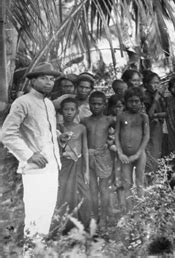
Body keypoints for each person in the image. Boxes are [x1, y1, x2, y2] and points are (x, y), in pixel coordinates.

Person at [0, 62, 62, 243]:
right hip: (35, 169)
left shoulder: (49, 104)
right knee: (34, 217)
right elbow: (7, 134)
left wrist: (59, 137)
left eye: (51, 79)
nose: (49, 82)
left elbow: (41, 131)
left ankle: (39, 253)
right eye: (43, 78)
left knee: (47, 216)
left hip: (52, 167)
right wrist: (28, 155)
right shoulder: (23, 102)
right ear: (32, 81)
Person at [56, 97, 91, 232]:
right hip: (64, 165)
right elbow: (56, 148)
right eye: (66, 109)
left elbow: (85, 150)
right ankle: (66, 226)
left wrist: (87, 171)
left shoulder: (81, 128)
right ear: (61, 111)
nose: (69, 112)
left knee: (84, 194)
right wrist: (64, 154)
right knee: (65, 193)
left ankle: (84, 226)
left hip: (79, 163)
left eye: (72, 110)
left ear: (77, 111)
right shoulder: (58, 127)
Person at [81, 91, 115, 227]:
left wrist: (109, 143)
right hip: (89, 157)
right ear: (89, 104)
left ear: (104, 105)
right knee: (92, 189)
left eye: (99, 104)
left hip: (104, 156)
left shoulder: (109, 120)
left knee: (104, 188)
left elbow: (117, 134)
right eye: (93, 104)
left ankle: (104, 216)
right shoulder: (85, 121)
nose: (96, 107)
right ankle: (94, 216)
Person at [115, 87, 150, 210]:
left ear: (141, 102)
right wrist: (120, 153)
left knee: (140, 182)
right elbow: (117, 136)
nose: (134, 104)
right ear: (126, 102)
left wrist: (138, 154)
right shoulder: (121, 116)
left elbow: (146, 136)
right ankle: (129, 210)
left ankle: (140, 210)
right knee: (127, 183)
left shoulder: (143, 117)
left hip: (139, 154)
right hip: (125, 155)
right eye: (131, 101)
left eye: (137, 101)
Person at [159, 77, 175, 157]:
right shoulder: (167, 99)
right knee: (171, 143)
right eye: (173, 87)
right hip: (170, 124)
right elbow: (163, 108)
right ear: (169, 89)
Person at [142, 72, 164, 159]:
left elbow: (165, 113)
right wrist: (155, 100)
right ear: (146, 84)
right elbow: (149, 114)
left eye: (157, 83)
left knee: (157, 148)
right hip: (149, 126)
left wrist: (156, 115)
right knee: (151, 149)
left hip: (158, 125)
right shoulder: (144, 96)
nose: (155, 85)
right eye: (153, 83)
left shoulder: (159, 95)